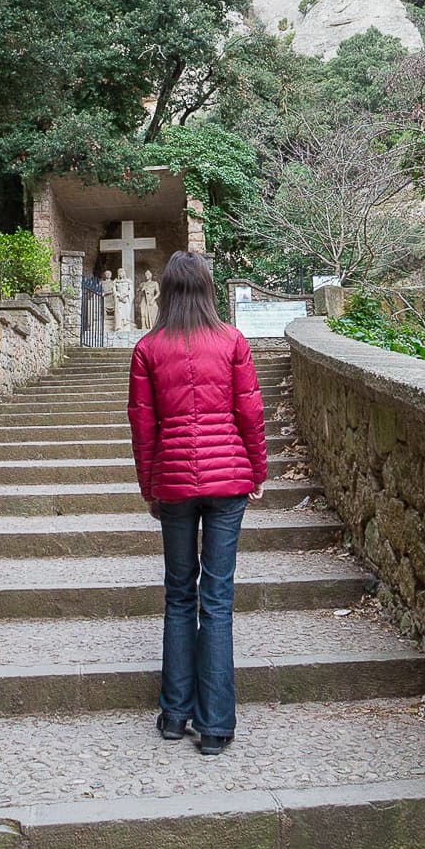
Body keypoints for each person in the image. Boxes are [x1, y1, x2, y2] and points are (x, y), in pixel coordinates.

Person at [127, 250, 267, 755]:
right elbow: (250, 412)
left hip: (174, 484)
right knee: (218, 600)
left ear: (164, 292)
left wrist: (150, 488)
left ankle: (173, 715)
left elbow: (143, 428)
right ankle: (215, 728)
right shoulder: (232, 341)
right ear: (208, 289)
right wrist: (257, 470)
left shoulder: (148, 348)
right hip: (229, 480)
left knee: (180, 595)